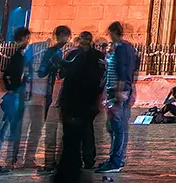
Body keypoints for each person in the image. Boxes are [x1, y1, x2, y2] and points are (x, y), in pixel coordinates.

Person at [54, 32, 105, 183]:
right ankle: (78, 159)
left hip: (84, 97)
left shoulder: (94, 56)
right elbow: (62, 73)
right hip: (76, 97)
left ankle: (85, 160)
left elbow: (100, 76)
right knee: (77, 129)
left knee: (84, 130)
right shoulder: (75, 54)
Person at [0, 25, 31, 173]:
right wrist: (15, 87)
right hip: (13, 97)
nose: (28, 41)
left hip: (12, 95)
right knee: (4, 131)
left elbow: (6, 75)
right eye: (27, 38)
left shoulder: (17, 55)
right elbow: (9, 75)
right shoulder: (17, 56)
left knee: (4, 130)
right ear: (21, 39)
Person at [21, 25, 70, 171]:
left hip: (41, 93)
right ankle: (20, 159)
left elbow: (58, 74)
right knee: (29, 127)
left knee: (34, 128)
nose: (66, 42)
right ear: (59, 36)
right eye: (65, 38)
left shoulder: (56, 52)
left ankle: (25, 158)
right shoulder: (42, 49)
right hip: (34, 93)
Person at [98, 21, 139, 176]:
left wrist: (120, 91)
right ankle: (117, 158)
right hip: (120, 89)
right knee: (115, 126)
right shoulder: (128, 47)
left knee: (117, 127)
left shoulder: (121, 47)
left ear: (114, 32)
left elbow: (122, 69)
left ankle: (115, 161)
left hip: (117, 91)